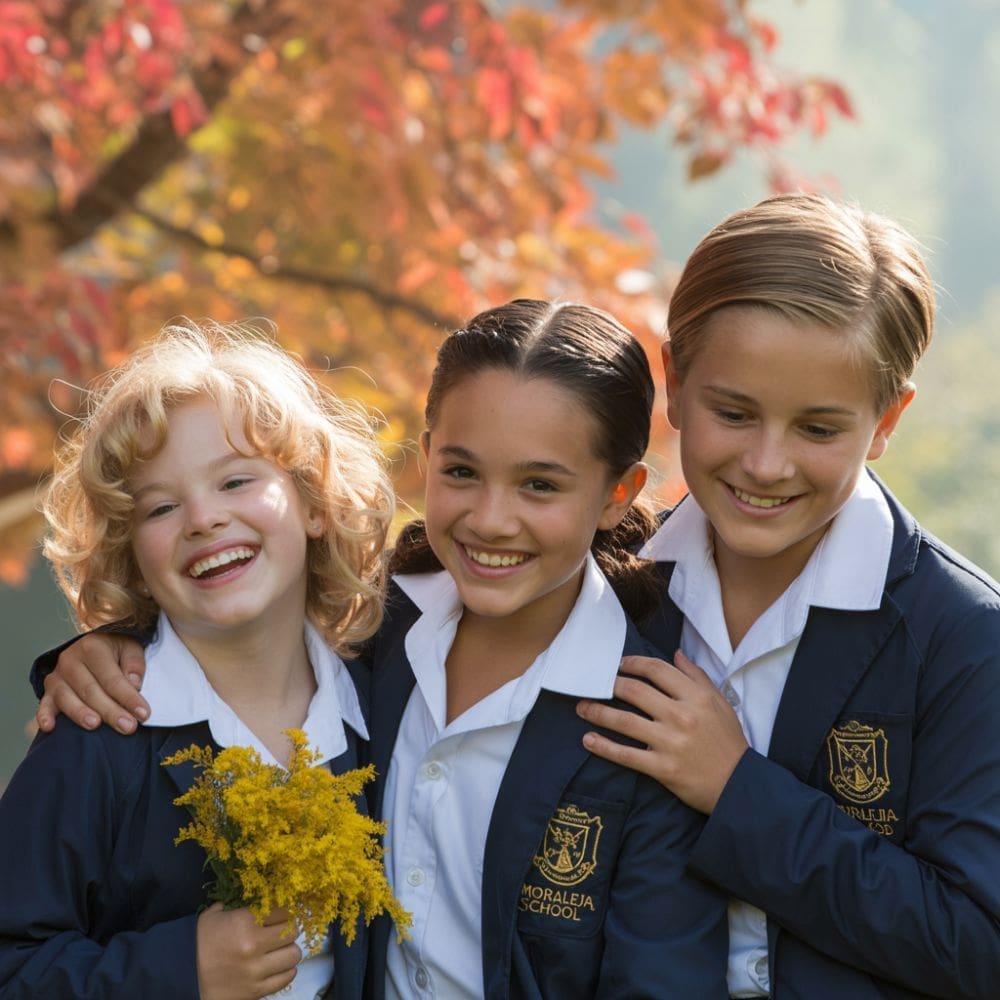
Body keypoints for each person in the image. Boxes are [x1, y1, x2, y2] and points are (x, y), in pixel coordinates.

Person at [28, 299, 731, 998]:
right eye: (461, 473)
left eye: (539, 485)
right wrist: (106, 645)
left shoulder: (653, 716)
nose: (490, 518)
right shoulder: (379, 641)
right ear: (426, 459)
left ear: (618, 494)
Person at [571, 194, 1000, 998]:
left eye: (818, 429)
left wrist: (737, 790)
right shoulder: (606, 594)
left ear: (886, 421)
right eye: (733, 413)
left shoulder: (966, 637)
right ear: (674, 380)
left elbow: (978, 942)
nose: (767, 464)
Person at [0, 321, 395, 999]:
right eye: (161, 507)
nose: (203, 519)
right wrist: (182, 968)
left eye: (236, 480)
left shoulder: (387, 711)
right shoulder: (98, 737)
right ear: (133, 556)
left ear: (313, 503)